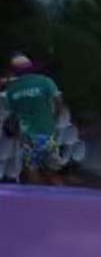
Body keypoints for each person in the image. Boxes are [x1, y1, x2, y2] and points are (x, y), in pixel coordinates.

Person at [3, 53, 63, 185]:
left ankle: (37, 198)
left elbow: (11, 113)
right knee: (52, 169)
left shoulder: (11, 90)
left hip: (27, 134)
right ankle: (60, 197)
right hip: (47, 130)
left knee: (31, 168)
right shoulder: (45, 81)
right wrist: (54, 118)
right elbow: (58, 102)